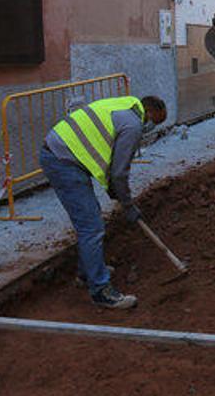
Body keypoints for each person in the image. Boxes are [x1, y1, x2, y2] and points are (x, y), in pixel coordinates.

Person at [39, 95, 167, 309]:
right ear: (150, 113)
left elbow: (108, 160)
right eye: (156, 122)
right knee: (91, 226)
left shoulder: (124, 105)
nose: (151, 127)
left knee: (91, 220)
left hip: (62, 153)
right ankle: (100, 291)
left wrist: (114, 192)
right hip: (62, 160)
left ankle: (87, 271)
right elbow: (119, 173)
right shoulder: (134, 125)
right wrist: (128, 205)